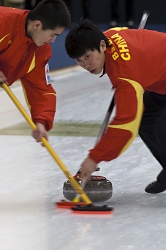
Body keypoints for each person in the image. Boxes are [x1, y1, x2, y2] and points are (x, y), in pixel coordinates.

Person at [65, 19, 166, 194]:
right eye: (78, 60)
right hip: (160, 83)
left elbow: (125, 125)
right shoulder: (108, 36)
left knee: (162, 130)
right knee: (145, 121)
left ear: (102, 45)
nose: (85, 65)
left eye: (88, 57)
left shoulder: (125, 75)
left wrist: (94, 157)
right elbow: (122, 30)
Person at [0, 0, 71, 143]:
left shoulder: (40, 50)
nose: (53, 40)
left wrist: (41, 121)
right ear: (37, 25)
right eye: (53, 34)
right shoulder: (3, 20)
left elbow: (41, 89)